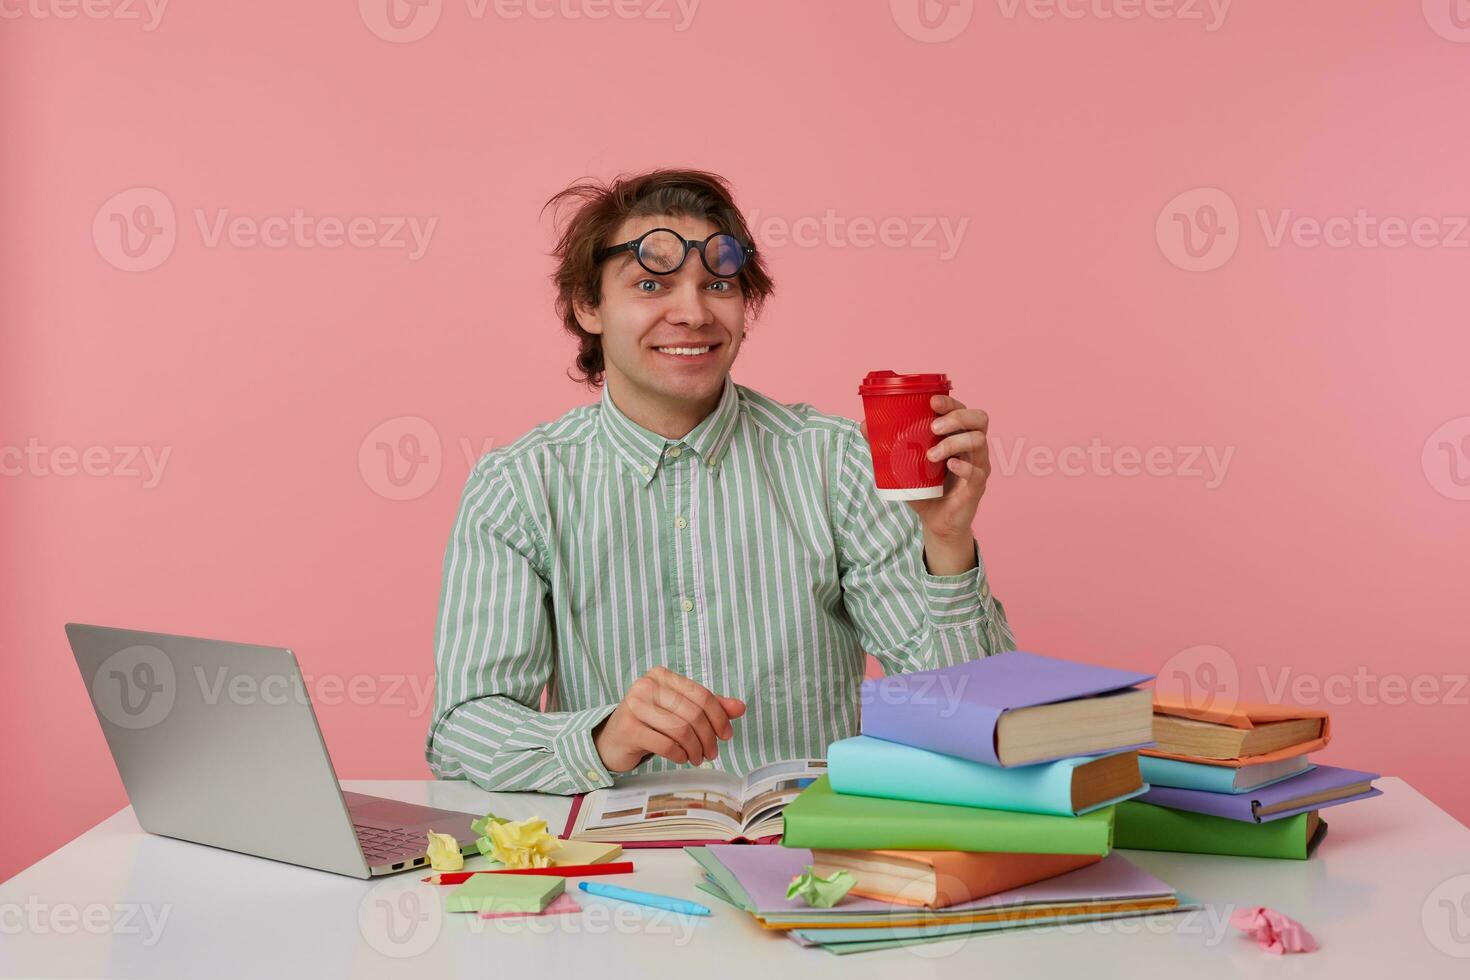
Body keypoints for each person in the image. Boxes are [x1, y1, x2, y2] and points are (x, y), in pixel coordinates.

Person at [425, 168, 1015, 794]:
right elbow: (463, 732)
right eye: (651, 284)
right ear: (588, 307)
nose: (693, 312)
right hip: (611, 862)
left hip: (806, 856)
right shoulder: (519, 485)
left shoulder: (836, 461)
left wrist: (948, 544)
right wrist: (604, 738)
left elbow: (969, 715)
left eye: (718, 285)